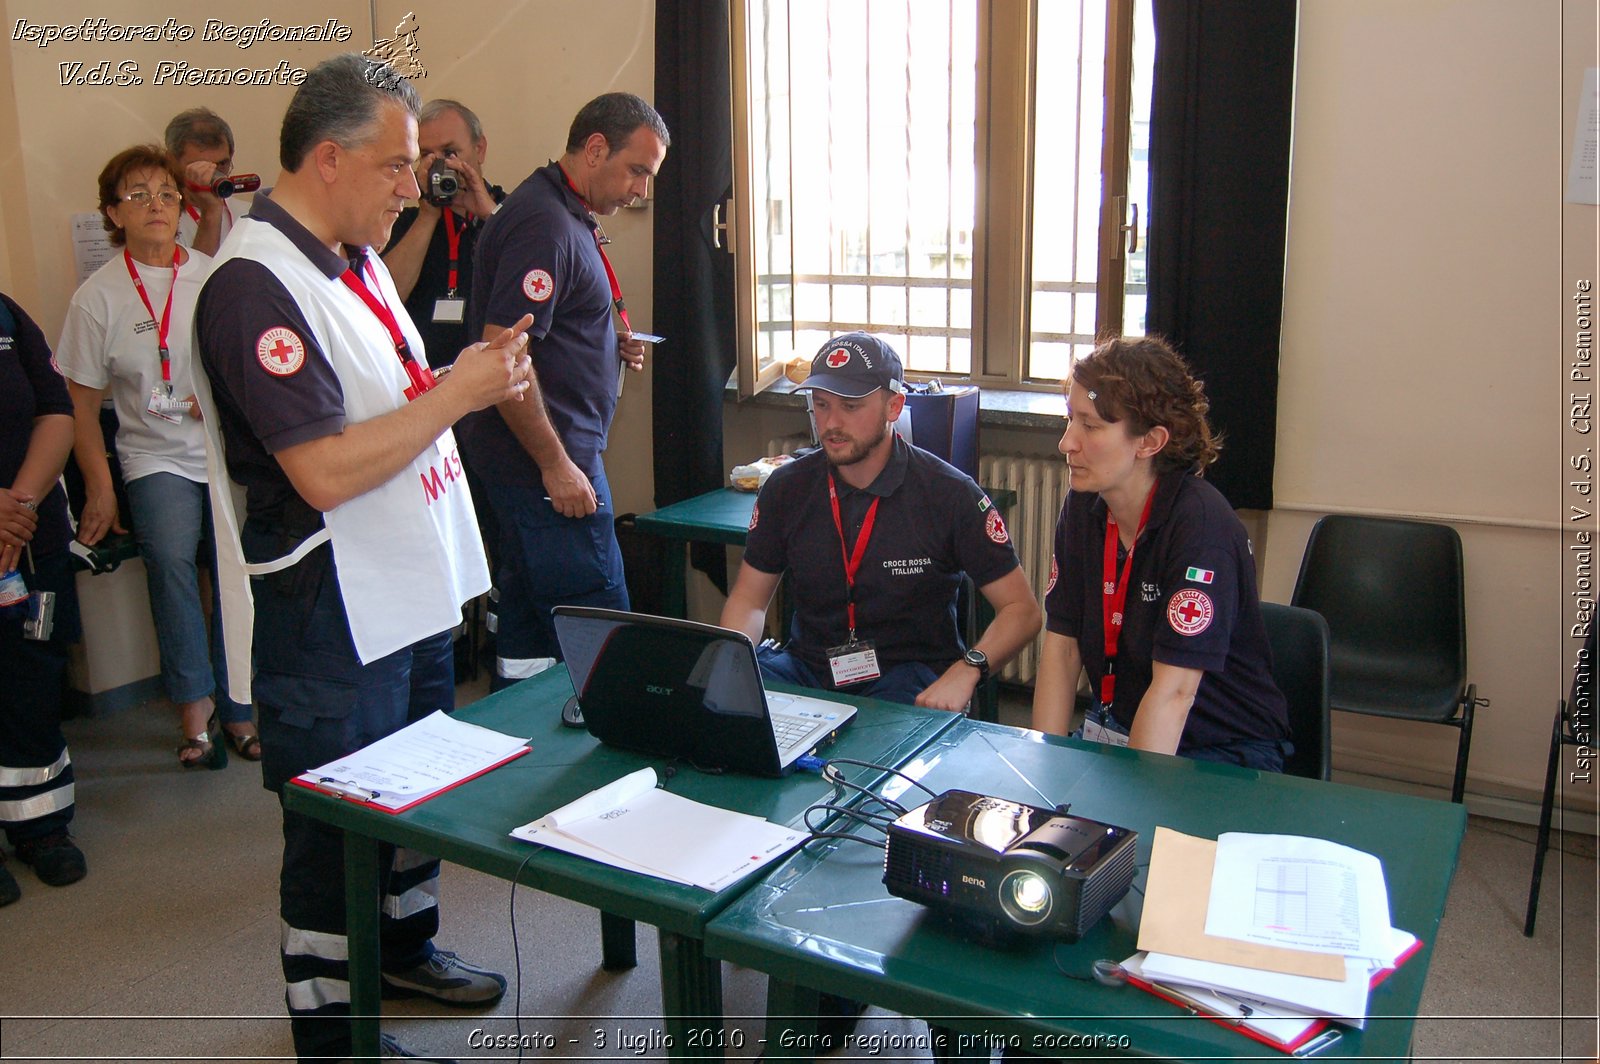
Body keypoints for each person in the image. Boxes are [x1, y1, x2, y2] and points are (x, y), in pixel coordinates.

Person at [193, 54, 534, 1064]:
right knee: (335, 825)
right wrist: (459, 395)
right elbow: (325, 470)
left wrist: (459, 374)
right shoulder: (254, 285)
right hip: (327, 607)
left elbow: (385, 398)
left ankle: (404, 948)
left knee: (415, 788)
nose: (411, 184)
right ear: (329, 158)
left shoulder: (356, 257)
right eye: (396, 165)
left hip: (406, 581)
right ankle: (335, 1034)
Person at [55, 144, 257, 769]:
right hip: (152, 458)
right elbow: (80, 410)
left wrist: (215, 395)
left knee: (231, 574)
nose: (156, 206)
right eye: (137, 195)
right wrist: (100, 488)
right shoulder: (98, 297)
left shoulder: (210, 273)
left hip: (219, 456)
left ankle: (240, 709)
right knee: (170, 562)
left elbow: (243, 364)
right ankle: (194, 714)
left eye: (167, 194)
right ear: (112, 213)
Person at [719, 333, 1042, 711]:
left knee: (874, 755)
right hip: (809, 671)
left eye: (851, 407)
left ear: (894, 406)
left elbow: (1022, 610)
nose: (831, 423)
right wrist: (731, 663)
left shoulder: (950, 494)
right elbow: (750, 600)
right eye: (821, 405)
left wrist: (968, 669)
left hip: (909, 678)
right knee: (719, 706)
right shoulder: (786, 488)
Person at [466, 92, 667, 689]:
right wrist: (556, 466)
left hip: (545, 463)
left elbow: (550, 333)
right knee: (602, 629)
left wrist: (610, 342)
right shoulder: (545, 223)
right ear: (596, 148)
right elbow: (504, 358)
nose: (641, 191)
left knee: (530, 630)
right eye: (637, 170)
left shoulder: (566, 211)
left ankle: (522, 758)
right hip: (547, 468)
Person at [1030, 335, 1290, 769]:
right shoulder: (1085, 502)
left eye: (1090, 426)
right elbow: (1062, 649)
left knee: (1132, 838)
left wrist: (1135, 816)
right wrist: (1041, 768)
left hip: (1218, 751)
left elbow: (1176, 693)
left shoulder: (1202, 528)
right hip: (1121, 730)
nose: (1066, 443)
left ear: (1149, 442)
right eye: (1069, 419)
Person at [0, 291, 84, 905]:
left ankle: (42, 825)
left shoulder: (7, 315)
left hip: (30, 541)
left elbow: (56, 411)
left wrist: (20, 507)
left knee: (30, 679)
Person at [382, 99, 505, 367]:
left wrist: (489, 216)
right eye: (427, 154)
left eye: (450, 152)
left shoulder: (509, 216)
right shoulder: (401, 220)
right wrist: (428, 213)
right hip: (425, 382)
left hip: (494, 381)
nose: (441, 164)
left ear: (479, 149)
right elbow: (386, 301)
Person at [165, 108, 241, 257]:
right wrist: (211, 211)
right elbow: (194, 279)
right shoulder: (157, 217)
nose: (212, 175)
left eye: (222, 164)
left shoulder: (248, 214)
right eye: (200, 166)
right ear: (171, 161)